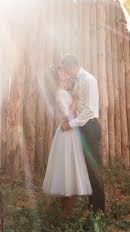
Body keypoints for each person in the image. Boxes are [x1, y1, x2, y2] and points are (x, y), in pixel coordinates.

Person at [41, 65, 92, 216]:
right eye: (62, 72)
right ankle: (66, 213)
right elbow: (69, 116)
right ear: (57, 78)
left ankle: (66, 211)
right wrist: (75, 100)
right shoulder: (60, 94)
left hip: (70, 132)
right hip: (67, 136)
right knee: (70, 170)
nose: (66, 73)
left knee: (70, 169)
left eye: (65, 70)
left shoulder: (65, 92)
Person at [60, 53, 105, 214]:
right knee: (85, 169)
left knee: (93, 169)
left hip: (90, 128)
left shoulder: (88, 80)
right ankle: (92, 205)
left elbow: (90, 110)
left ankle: (98, 209)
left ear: (73, 66)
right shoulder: (76, 81)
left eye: (67, 69)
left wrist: (71, 124)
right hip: (81, 128)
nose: (67, 73)